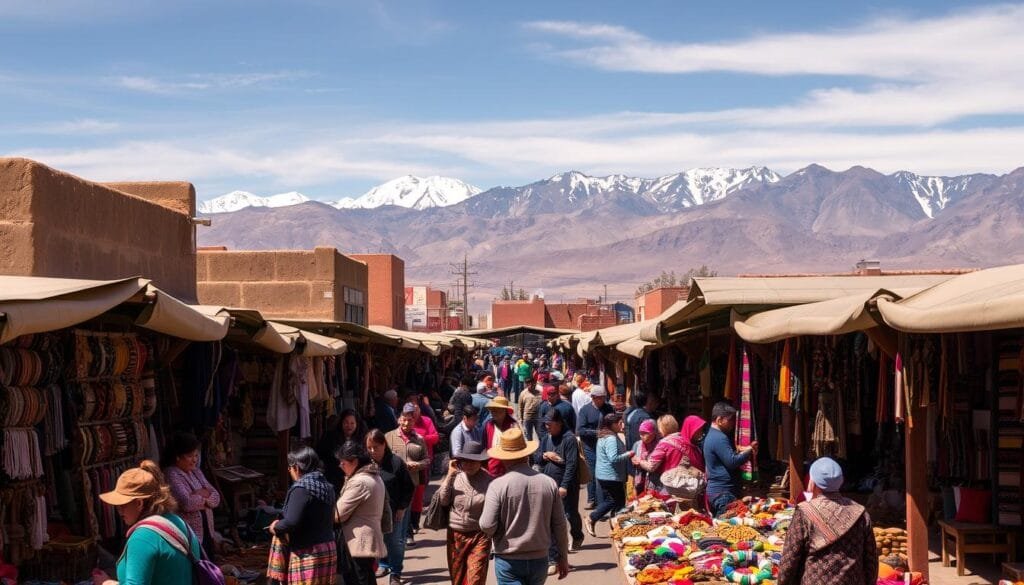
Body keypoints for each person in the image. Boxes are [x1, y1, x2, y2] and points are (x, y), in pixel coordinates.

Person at [480, 427, 570, 584]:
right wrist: (563, 557)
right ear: (527, 454)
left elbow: (487, 525)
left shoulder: (497, 486)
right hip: (540, 558)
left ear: (504, 458)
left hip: (508, 559)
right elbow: (560, 525)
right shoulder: (548, 483)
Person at [91, 461, 198, 585]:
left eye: (122, 505)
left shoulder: (142, 537)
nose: (119, 510)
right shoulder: (177, 522)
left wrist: (106, 583)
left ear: (139, 503)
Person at [778, 458, 877, 585]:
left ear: (813, 482)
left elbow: (790, 559)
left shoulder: (805, 512)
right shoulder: (860, 513)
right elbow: (871, 561)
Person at [267, 447, 338, 585]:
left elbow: (291, 522)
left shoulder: (301, 489)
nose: (290, 471)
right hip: (328, 548)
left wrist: (275, 526)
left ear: (296, 468)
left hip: (308, 553)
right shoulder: (327, 486)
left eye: (290, 467)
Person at [439, 440, 493, 585]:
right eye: (465, 461)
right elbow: (443, 500)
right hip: (455, 535)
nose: (468, 465)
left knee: (475, 578)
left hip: (479, 536)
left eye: (472, 461)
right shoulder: (455, 477)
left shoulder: (490, 481)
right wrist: (450, 475)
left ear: (480, 462)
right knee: (457, 578)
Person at [334, 441, 387, 585]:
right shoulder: (372, 476)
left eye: (343, 463)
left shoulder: (360, 482)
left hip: (359, 542)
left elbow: (338, 514)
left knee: (359, 579)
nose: (341, 466)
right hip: (365, 540)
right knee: (367, 578)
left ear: (355, 462)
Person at [161, 432, 221, 559]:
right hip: (189, 534)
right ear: (178, 457)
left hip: (206, 532)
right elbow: (186, 503)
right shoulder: (172, 474)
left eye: (196, 455)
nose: (195, 460)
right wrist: (204, 495)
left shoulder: (196, 472)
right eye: (190, 456)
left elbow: (216, 497)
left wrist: (197, 496)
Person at [367, 429, 415, 585]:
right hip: (374, 512)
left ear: (383, 445)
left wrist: (402, 508)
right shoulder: (366, 464)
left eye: (376, 447)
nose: (373, 451)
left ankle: (395, 572)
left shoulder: (396, 463)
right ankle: (383, 564)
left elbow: (408, 487)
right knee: (381, 540)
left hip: (396, 510)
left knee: (395, 541)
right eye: (369, 448)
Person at [538, 408, 583, 569]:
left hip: (566, 486)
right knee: (552, 521)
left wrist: (564, 486)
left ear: (558, 423)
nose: (547, 428)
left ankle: (577, 534)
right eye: (545, 425)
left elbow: (572, 464)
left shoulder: (569, 439)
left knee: (570, 514)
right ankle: (553, 559)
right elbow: (536, 458)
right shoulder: (545, 438)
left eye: (549, 425)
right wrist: (545, 456)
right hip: (548, 485)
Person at [386, 404, 429, 547]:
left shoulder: (419, 439)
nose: (406, 423)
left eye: (410, 420)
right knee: (394, 511)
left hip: (411, 482)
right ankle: (394, 538)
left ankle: (406, 535)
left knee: (406, 510)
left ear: (413, 421)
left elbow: (427, 459)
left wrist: (418, 465)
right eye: (404, 420)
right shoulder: (389, 437)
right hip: (393, 483)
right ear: (399, 420)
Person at [703, 402, 756, 517]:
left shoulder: (713, 435)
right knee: (727, 528)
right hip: (723, 493)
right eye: (730, 420)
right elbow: (732, 462)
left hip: (719, 492)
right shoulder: (719, 438)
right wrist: (749, 451)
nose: (732, 424)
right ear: (719, 420)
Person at [633, 414, 708, 493]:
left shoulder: (664, 443)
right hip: (689, 486)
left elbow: (651, 466)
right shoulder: (684, 439)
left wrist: (639, 461)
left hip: (671, 486)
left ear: (663, 428)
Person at [586, 413, 630, 537]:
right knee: (615, 501)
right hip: (611, 476)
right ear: (612, 425)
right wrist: (629, 454)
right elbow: (614, 458)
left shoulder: (604, 435)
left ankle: (615, 526)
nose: (621, 425)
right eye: (619, 423)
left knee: (617, 501)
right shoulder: (610, 438)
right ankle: (592, 517)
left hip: (605, 474)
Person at [576, 385, 613, 510]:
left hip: (606, 446)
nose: (602, 400)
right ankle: (592, 499)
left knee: (604, 472)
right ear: (593, 397)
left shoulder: (608, 408)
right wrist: (596, 433)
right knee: (592, 473)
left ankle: (604, 500)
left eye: (604, 398)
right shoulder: (585, 411)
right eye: (600, 398)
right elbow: (580, 430)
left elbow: (613, 424)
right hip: (590, 447)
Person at [483, 396, 520, 478]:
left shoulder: (513, 426)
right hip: (491, 467)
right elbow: (484, 446)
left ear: (505, 411)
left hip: (509, 468)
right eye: (492, 409)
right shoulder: (488, 425)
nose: (493, 412)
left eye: (497, 409)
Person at [624, 392, 660, 460]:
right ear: (649, 402)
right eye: (655, 403)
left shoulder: (631, 413)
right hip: (640, 453)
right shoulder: (646, 418)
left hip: (632, 450)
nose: (656, 406)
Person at [631, 419, 660, 495]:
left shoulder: (660, 446)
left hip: (654, 483)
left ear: (653, 433)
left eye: (645, 433)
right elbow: (633, 458)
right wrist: (634, 461)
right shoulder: (637, 445)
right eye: (640, 433)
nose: (642, 436)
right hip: (640, 479)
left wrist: (641, 462)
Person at [516, 376, 543, 442]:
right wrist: (521, 419)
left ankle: (542, 450)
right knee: (528, 437)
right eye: (528, 384)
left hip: (538, 418)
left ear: (535, 383)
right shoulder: (523, 394)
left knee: (541, 435)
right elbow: (520, 407)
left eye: (532, 383)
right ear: (526, 384)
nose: (530, 385)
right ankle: (531, 451)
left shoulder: (539, 393)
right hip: (527, 418)